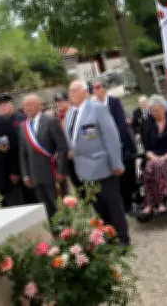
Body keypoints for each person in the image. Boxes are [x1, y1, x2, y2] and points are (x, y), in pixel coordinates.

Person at [66, 79, 130, 247]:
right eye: (70, 91)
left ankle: (123, 238)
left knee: (113, 204)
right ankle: (109, 236)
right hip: (85, 169)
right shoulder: (71, 114)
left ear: (85, 91)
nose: (71, 93)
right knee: (99, 206)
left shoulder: (97, 109)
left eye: (74, 90)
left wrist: (116, 163)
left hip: (103, 166)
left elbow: (111, 136)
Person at [19, 94, 69, 222]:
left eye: (29, 105)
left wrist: (61, 170)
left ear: (39, 106)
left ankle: (69, 234)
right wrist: (25, 175)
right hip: (35, 176)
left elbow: (62, 147)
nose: (26, 108)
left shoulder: (50, 121)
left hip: (52, 174)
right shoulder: (23, 126)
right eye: (24, 106)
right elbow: (23, 154)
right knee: (46, 210)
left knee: (60, 207)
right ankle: (55, 235)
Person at [92, 79, 138, 214]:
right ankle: (123, 205)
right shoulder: (93, 106)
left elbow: (120, 124)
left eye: (98, 87)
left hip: (123, 144)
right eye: (93, 88)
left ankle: (131, 201)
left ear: (104, 89)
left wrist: (115, 143)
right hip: (106, 150)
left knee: (128, 174)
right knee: (117, 179)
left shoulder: (114, 102)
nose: (96, 90)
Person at [140, 95, 167, 216]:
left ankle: (161, 202)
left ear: (164, 108)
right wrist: (153, 157)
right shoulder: (149, 126)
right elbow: (147, 148)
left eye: (157, 110)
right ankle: (150, 203)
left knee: (158, 165)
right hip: (155, 157)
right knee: (148, 168)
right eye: (152, 111)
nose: (154, 113)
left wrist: (165, 157)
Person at [0, 93, 37, 205]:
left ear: (12, 105)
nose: (3, 107)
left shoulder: (22, 119)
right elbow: (3, 148)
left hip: (27, 165)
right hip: (11, 169)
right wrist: (12, 170)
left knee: (33, 196)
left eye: (6, 104)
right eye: (1, 105)